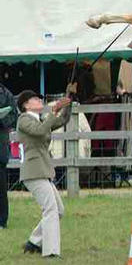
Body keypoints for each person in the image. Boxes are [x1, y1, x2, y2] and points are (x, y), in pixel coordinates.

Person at [17, 87, 73, 258]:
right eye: (35, 99)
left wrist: (68, 101)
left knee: (59, 210)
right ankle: (51, 252)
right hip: (33, 172)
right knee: (50, 209)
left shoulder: (40, 119)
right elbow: (40, 132)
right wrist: (53, 111)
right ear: (26, 105)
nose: (40, 100)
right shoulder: (23, 120)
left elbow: (63, 120)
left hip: (42, 171)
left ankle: (34, 242)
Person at [0, 83, 18, 229]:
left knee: (0, 186)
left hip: (0, 143)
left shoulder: (6, 94)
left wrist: (2, 120)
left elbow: (13, 116)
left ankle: (2, 220)